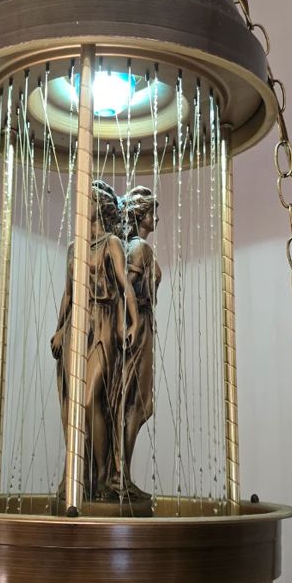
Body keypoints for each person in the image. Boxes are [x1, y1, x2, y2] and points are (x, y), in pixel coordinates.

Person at [51, 180, 137, 501]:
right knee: (72, 406)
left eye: (86, 201)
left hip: (102, 323)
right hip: (76, 327)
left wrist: (133, 321)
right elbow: (68, 294)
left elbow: (125, 285)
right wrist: (60, 328)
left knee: (90, 400)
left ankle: (103, 478)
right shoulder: (75, 247)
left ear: (98, 206)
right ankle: (79, 477)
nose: (81, 206)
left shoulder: (111, 243)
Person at [116, 185, 160, 499]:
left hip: (142, 322)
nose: (156, 217)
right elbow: (126, 288)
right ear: (140, 214)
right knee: (138, 401)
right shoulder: (139, 247)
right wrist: (131, 321)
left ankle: (121, 471)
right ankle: (121, 473)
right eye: (152, 211)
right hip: (140, 324)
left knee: (136, 401)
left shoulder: (134, 246)